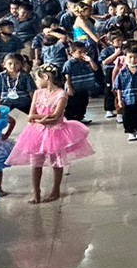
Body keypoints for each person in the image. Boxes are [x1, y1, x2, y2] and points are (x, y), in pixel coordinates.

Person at [7, 63, 94, 203]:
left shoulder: (61, 94)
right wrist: (40, 119)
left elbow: (56, 116)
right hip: (36, 132)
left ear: (46, 77)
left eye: (37, 79)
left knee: (56, 162)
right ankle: (36, 192)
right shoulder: (38, 93)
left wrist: (38, 118)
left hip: (55, 133)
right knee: (36, 163)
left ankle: (56, 190)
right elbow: (31, 114)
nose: (36, 82)